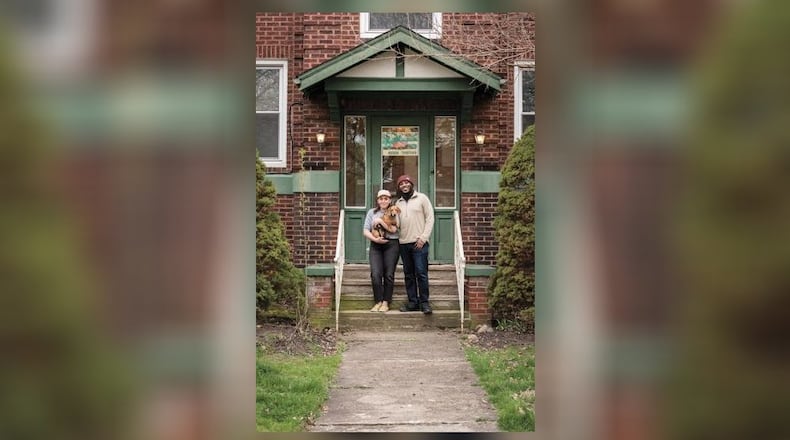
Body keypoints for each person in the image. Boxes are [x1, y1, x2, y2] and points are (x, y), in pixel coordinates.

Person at [394, 175, 435, 314]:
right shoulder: (398, 203)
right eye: (401, 184)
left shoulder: (422, 198)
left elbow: (430, 218)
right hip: (404, 243)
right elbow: (397, 224)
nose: (404, 185)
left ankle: (425, 303)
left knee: (421, 273)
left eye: (406, 183)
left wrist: (424, 238)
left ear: (411, 184)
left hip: (419, 243)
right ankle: (413, 302)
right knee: (408, 274)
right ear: (399, 187)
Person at [362, 189, 401, 312]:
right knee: (375, 274)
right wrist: (375, 239)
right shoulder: (371, 213)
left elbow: (394, 230)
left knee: (388, 274)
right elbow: (365, 230)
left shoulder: (394, 211)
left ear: (389, 200)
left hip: (392, 244)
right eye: (381, 199)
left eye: (386, 199)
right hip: (376, 245)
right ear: (377, 200)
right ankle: (378, 301)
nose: (383, 201)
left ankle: (386, 302)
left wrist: (380, 222)